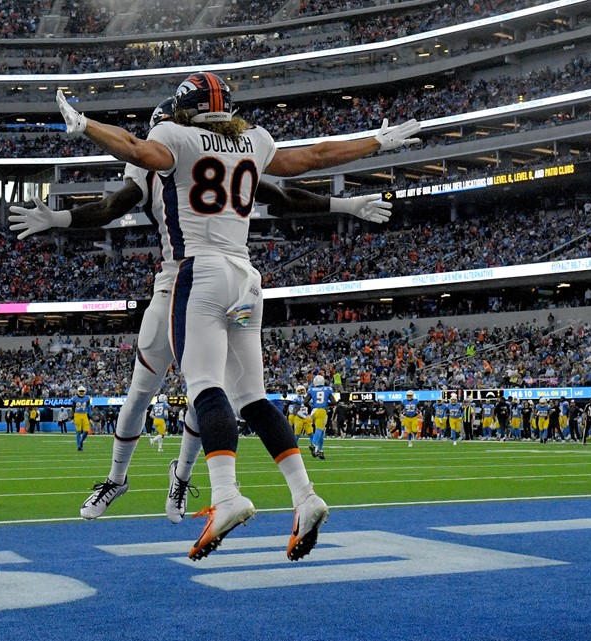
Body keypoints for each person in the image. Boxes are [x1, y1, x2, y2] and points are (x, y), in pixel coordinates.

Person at [53, 73, 420, 560]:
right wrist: (375, 140)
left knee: (205, 386)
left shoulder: (174, 135)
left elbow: (138, 152)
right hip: (247, 278)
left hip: (198, 271)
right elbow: (311, 159)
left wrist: (86, 125)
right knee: (253, 397)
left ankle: (226, 496)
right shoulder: (254, 139)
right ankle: (305, 495)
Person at [307, 375, 333, 459]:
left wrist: (312, 406)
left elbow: (305, 401)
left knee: (321, 432)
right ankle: (314, 445)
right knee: (319, 429)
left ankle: (320, 451)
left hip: (314, 411)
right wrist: (327, 405)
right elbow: (333, 401)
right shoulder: (327, 389)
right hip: (322, 411)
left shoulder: (311, 389)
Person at [71, 386, 91, 451]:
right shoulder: (74, 398)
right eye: (81, 391)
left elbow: (89, 407)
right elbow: (73, 408)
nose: (82, 393)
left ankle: (81, 441)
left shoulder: (87, 398)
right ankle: (79, 446)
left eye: (83, 391)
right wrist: (72, 417)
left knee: (86, 431)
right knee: (78, 431)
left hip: (85, 414)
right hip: (77, 415)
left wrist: (89, 416)